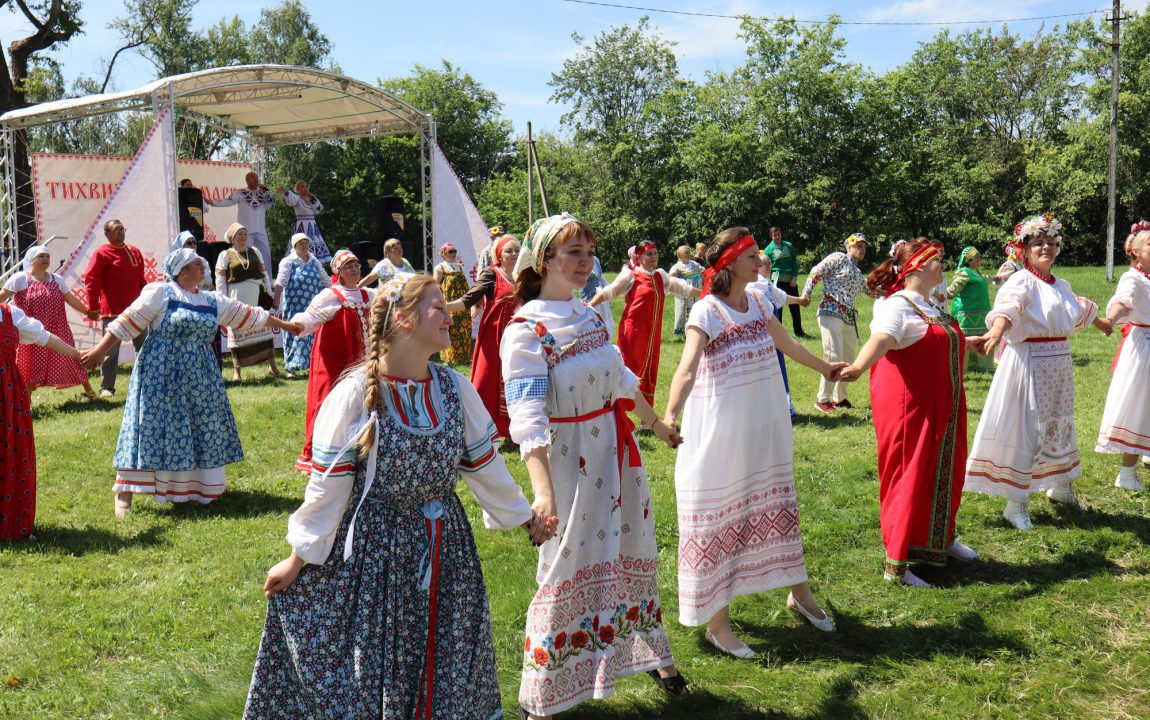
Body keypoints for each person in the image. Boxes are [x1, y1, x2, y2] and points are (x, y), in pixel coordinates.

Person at [244, 274, 552, 719]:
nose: (449, 315)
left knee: (448, 660)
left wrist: (523, 516)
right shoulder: (354, 397)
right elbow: (327, 489)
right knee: (377, 662)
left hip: (447, 548)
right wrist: (299, 558)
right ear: (404, 319)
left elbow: (485, 467)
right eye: (437, 307)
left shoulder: (453, 389)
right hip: (376, 551)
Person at [503, 213, 688, 719]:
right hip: (568, 461)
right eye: (573, 254)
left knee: (631, 547)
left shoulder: (589, 314)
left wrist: (657, 425)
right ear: (544, 261)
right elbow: (527, 417)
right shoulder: (526, 329)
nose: (585, 263)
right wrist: (543, 494)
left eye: (588, 252)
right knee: (564, 567)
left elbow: (622, 378)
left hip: (613, 452)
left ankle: (653, 654)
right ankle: (542, 693)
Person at [662, 227, 838, 660]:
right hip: (720, 434)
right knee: (723, 516)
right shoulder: (706, 312)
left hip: (765, 425)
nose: (760, 261)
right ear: (728, 264)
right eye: (751, 256)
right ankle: (718, 626)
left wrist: (827, 368)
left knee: (778, 507)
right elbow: (685, 370)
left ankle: (799, 593)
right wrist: (667, 416)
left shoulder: (759, 300)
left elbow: (788, 343)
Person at [80, 247, 302, 517]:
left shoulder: (211, 300)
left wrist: (287, 325)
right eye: (197, 265)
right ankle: (125, 491)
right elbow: (127, 321)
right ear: (182, 271)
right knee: (150, 426)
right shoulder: (160, 293)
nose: (203, 268)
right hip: (161, 373)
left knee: (198, 428)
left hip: (200, 375)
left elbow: (248, 314)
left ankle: (191, 489)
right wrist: (100, 351)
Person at [837, 239, 978, 588]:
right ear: (915, 267)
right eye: (937, 261)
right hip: (911, 409)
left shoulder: (930, 304)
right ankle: (896, 564)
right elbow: (883, 339)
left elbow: (938, 340)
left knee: (944, 469)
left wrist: (972, 342)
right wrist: (856, 367)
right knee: (908, 474)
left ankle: (941, 540)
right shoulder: (895, 306)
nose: (942, 266)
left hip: (945, 403)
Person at [964, 214, 1110, 531]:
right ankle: (1015, 504)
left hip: (1058, 361)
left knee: (1059, 423)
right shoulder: (1021, 281)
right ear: (1025, 250)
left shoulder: (1061, 284)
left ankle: (1060, 487)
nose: (1046, 247)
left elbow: (1081, 306)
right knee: (1028, 427)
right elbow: (1008, 308)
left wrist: (1103, 323)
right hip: (1028, 360)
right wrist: (996, 332)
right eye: (1038, 243)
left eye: (1051, 243)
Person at [0, 302, 82, 541]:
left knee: (11, 453)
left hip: (8, 395)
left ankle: (12, 523)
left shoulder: (9, 313)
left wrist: (79, 355)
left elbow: (45, 338)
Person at [291, 250, 375, 473]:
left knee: (361, 400)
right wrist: (298, 324)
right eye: (348, 266)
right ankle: (319, 452)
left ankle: (359, 449)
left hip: (361, 358)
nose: (355, 269)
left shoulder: (367, 295)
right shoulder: (330, 296)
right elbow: (310, 318)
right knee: (328, 400)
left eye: (356, 265)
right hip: (334, 359)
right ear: (338, 272)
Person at [589, 240, 699, 407]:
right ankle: (619, 408)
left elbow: (683, 288)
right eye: (649, 254)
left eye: (655, 253)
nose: (654, 256)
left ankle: (646, 418)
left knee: (650, 371)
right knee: (630, 368)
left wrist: (707, 293)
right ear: (639, 257)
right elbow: (609, 292)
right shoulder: (631, 275)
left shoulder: (660, 276)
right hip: (633, 332)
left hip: (653, 333)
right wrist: (589, 307)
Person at [445, 234, 520, 440]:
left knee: (515, 378)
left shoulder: (524, 275)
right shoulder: (492, 274)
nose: (513, 254)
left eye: (516, 250)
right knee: (486, 380)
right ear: (499, 254)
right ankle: (481, 430)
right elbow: (469, 299)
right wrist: (443, 306)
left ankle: (513, 429)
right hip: (493, 336)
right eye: (509, 250)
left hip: (518, 337)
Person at [1096, 223, 1150, 491]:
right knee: (1141, 406)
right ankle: (1127, 473)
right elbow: (1123, 301)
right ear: (1136, 251)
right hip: (1145, 348)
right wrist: (1110, 318)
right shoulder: (1133, 278)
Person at [0, 245, 95, 397]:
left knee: (72, 357)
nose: (45, 259)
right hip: (31, 330)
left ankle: (88, 389)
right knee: (30, 365)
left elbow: (70, 299)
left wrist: (88, 312)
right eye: (41, 256)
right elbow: (2, 296)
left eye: (47, 256)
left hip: (58, 327)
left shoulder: (57, 280)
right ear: (31, 259)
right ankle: (27, 402)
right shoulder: (20, 279)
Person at [801, 233, 869, 413]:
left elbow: (870, 291)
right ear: (849, 246)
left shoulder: (858, 272)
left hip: (848, 316)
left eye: (864, 247)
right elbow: (817, 271)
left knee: (848, 358)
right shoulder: (838, 258)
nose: (861, 249)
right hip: (831, 309)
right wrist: (806, 292)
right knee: (833, 354)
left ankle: (840, 398)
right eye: (858, 245)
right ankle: (822, 399)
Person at [82, 218, 149, 397]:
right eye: (116, 229)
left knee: (146, 347)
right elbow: (91, 279)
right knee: (110, 351)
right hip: (112, 311)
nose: (121, 232)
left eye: (122, 228)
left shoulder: (134, 251)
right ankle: (106, 387)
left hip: (136, 311)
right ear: (107, 234)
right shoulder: (101, 253)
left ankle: (148, 382)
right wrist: (93, 306)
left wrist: (147, 303)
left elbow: (141, 280)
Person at [215, 223, 281, 380]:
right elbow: (220, 279)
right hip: (237, 296)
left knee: (264, 327)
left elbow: (264, 273)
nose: (243, 236)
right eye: (240, 234)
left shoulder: (255, 251)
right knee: (238, 331)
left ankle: (272, 367)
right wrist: (222, 299)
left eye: (245, 233)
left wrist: (269, 293)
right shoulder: (225, 255)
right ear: (232, 238)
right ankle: (237, 372)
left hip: (257, 295)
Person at [750, 251, 810, 417]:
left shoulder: (767, 284)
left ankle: (780, 409)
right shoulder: (754, 285)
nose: (768, 266)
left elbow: (782, 297)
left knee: (776, 371)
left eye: (769, 263)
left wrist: (800, 300)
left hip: (774, 338)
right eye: (764, 263)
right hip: (763, 337)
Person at [274, 232, 330, 376]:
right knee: (294, 332)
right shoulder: (288, 261)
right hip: (294, 305)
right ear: (294, 245)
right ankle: (291, 367)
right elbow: (280, 282)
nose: (304, 245)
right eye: (301, 243)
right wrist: (276, 299)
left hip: (312, 306)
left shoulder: (314, 260)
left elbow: (325, 280)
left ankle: (311, 365)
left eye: (306, 242)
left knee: (311, 333)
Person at [207, 172, 277, 277]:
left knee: (265, 256)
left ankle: (268, 282)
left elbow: (272, 204)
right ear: (248, 181)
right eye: (254, 179)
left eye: (257, 178)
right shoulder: (240, 193)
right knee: (245, 256)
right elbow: (227, 201)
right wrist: (212, 202)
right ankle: (245, 278)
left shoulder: (263, 193)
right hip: (245, 232)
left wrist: (266, 192)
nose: (257, 181)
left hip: (261, 230)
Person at [947, 246, 994, 372]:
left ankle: (982, 365)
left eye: (979, 257)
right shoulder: (964, 272)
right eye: (975, 257)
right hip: (967, 312)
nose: (979, 259)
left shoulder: (977, 272)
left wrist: (999, 277)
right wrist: (946, 293)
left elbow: (986, 279)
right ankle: (962, 366)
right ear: (968, 260)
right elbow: (953, 289)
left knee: (983, 336)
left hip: (982, 311)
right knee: (965, 338)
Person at [432, 243, 472, 364]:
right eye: (450, 251)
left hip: (462, 302)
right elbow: (435, 284)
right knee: (450, 327)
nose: (453, 254)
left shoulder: (459, 267)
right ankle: (449, 358)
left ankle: (463, 356)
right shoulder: (440, 267)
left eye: (454, 251)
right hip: (448, 302)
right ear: (443, 253)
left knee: (463, 326)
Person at [765, 226, 807, 337]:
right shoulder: (768, 250)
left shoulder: (788, 245)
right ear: (771, 236)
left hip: (791, 281)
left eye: (778, 234)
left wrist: (794, 277)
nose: (777, 237)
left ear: (781, 234)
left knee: (795, 305)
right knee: (779, 307)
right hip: (777, 281)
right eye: (775, 235)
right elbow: (766, 266)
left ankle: (799, 332)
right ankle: (779, 335)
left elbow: (795, 262)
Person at [278, 180, 331, 262]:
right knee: (300, 245)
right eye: (302, 187)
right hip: (301, 226)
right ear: (298, 189)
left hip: (312, 225)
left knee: (314, 248)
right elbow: (291, 200)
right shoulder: (297, 198)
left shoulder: (312, 198)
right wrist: (285, 192)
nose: (305, 188)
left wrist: (312, 198)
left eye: (306, 186)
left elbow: (319, 209)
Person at [668, 245, 704, 337]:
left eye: (688, 252)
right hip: (684, 294)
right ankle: (681, 331)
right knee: (683, 311)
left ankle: (696, 328)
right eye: (685, 253)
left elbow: (703, 272)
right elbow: (671, 277)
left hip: (697, 293)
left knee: (696, 310)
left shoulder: (695, 264)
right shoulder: (677, 266)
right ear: (680, 256)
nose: (688, 254)